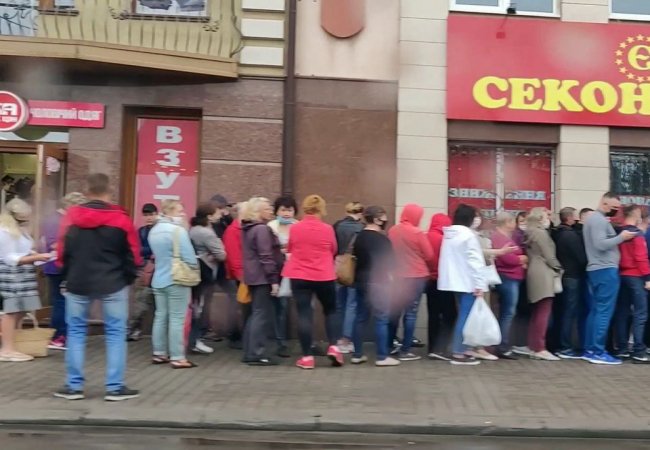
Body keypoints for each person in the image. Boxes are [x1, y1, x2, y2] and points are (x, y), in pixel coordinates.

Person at [54, 173, 141, 401]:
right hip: (113, 282)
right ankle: (115, 387)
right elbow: (133, 254)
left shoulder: (72, 216)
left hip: (78, 282)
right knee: (115, 332)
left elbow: (62, 252)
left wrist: (67, 274)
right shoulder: (121, 219)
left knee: (75, 332)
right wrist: (127, 278)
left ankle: (74, 387)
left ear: (87, 191)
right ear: (108, 191)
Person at [282, 195, 343, 370]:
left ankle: (307, 357)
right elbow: (334, 249)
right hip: (324, 274)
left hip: (299, 275)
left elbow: (290, 248)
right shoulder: (328, 229)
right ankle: (334, 347)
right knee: (331, 310)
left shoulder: (295, 228)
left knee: (304, 314)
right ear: (321, 209)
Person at [583, 192, 636, 365]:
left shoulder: (592, 219)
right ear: (604, 203)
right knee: (604, 311)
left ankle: (590, 349)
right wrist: (621, 237)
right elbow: (600, 244)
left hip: (596, 269)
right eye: (614, 207)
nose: (616, 211)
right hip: (605, 269)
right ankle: (598, 351)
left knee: (596, 310)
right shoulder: (599, 220)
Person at [148, 199, 199, 370]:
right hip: (177, 278)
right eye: (179, 211)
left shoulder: (154, 230)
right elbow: (190, 257)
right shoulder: (178, 231)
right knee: (177, 318)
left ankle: (159, 353)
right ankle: (177, 357)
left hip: (158, 278)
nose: (183, 214)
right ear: (170, 211)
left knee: (160, 316)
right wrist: (194, 267)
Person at [0, 199, 52, 362]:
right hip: (11, 274)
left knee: (21, 310)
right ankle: (7, 349)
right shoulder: (4, 231)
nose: (27, 220)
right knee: (11, 311)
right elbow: (9, 258)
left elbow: (22, 250)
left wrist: (35, 256)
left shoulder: (18, 230)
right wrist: (36, 257)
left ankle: (12, 344)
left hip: (23, 274)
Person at [351, 205, 400, 367]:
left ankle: (357, 354)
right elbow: (391, 263)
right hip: (379, 282)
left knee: (360, 317)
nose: (386, 220)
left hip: (361, 281)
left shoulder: (359, 237)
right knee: (381, 319)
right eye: (384, 217)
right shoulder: (382, 239)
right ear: (377, 219)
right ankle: (382, 356)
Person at [438, 204, 486, 365]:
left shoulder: (449, 234)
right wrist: (479, 284)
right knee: (465, 316)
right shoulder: (468, 235)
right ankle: (459, 351)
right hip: (468, 281)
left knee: (463, 315)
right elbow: (475, 262)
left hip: (453, 281)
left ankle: (463, 348)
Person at [513, 208, 562, 361]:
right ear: (540, 218)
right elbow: (549, 256)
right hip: (544, 272)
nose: (549, 218)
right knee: (544, 311)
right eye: (547, 216)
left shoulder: (529, 232)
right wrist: (559, 268)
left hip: (534, 271)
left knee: (537, 311)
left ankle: (534, 345)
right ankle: (540, 347)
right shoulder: (541, 233)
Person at [388, 203, 434, 361]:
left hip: (398, 276)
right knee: (411, 313)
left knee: (395, 312)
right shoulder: (417, 232)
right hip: (416, 276)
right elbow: (429, 255)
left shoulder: (393, 230)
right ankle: (405, 350)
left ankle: (389, 345)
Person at [241, 197, 284, 365]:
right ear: (257, 212)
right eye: (267, 208)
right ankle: (256, 353)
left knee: (255, 314)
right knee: (261, 315)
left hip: (253, 276)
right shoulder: (262, 229)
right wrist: (273, 280)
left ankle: (250, 351)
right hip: (263, 277)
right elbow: (266, 256)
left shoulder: (248, 228)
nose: (271, 211)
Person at [42, 192, 87, 351]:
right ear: (70, 206)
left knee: (63, 301)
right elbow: (54, 244)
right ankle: (59, 336)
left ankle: (62, 335)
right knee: (61, 302)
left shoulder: (60, 219)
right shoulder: (56, 220)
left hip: (62, 266)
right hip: (57, 267)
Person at [613, 204, 650, 363]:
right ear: (635, 214)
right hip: (636, 276)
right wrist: (647, 278)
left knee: (622, 312)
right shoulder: (637, 235)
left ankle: (622, 348)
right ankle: (638, 350)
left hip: (622, 275)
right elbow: (641, 258)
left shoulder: (619, 233)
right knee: (641, 313)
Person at [188, 203, 227, 354]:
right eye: (217, 213)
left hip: (196, 271)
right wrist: (218, 247)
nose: (220, 215)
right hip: (205, 272)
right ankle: (195, 340)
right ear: (209, 216)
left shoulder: (193, 229)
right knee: (200, 306)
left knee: (196, 305)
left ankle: (193, 339)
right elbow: (221, 255)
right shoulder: (206, 233)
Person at [552, 207, 588, 359]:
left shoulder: (557, 233)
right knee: (569, 312)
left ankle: (559, 344)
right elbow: (581, 257)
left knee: (562, 311)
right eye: (574, 216)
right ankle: (565, 346)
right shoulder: (570, 236)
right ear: (569, 218)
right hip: (573, 276)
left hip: (563, 276)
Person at [491, 212, 527, 360]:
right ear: (507, 222)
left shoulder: (506, 237)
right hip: (508, 277)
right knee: (508, 313)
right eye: (513, 221)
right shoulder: (499, 237)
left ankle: (503, 344)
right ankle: (503, 346)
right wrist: (521, 259)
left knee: (507, 312)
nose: (515, 224)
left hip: (511, 277)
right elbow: (507, 258)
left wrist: (519, 258)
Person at [267, 195, 299, 358]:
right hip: (278, 272)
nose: (286, 213)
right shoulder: (270, 227)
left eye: (290, 210)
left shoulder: (298, 226)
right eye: (283, 210)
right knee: (281, 307)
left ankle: (309, 342)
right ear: (277, 211)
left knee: (304, 306)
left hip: (297, 270)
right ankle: (281, 343)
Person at [333, 201, 364, 354]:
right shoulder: (361, 228)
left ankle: (337, 339)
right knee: (352, 305)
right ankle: (346, 339)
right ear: (360, 213)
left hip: (337, 267)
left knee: (339, 305)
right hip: (353, 269)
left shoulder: (337, 225)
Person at [425, 213, 456, 361]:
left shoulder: (426, 236)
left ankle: (432, 348)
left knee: (433, 315)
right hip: (443, 281)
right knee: (450, 314)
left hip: (429, 281)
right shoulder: (444, 239)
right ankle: (441, 348)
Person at [127, 203, 159, 341]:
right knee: (141, 301)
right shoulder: (141, 231)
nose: (148, 218)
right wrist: (149, 250)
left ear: (157, 214)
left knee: (158, 303)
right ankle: (134, 329)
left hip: (159, 268)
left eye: (151, 214)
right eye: (146, 215)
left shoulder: (161, 230)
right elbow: (137, 249)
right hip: (145, 269)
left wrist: (148, 250)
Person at [222, 202, 248, 347]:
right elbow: (233, 255)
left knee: (241, 306)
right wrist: (240, 275)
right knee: (238, 306)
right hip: (238, 275)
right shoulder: (233, 230)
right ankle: (235, 336)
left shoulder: (242, 228)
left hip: (243, 273)